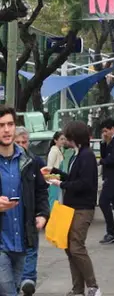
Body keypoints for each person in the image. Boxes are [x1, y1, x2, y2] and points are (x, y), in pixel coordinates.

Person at [45, 120, 100, 296]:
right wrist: (55, 171)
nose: (65, 140)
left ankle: (93, 286)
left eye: (67, 137)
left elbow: (84, 183)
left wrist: (61, 184)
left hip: (82, 208)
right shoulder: (79, 154)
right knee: (69, 247)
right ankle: (78, 289)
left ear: (74, 137)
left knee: (76, 247)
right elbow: (74, 177)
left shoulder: (86, 156)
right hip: (72, 207)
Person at [0, 115, 48, 296]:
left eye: (10, 124)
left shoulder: (29, 161)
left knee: (13, 288)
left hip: (22, 240)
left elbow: (41, 191)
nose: (6, 130)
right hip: (1, 243)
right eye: (1, 125)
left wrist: (42, 213)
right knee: (9, 291)